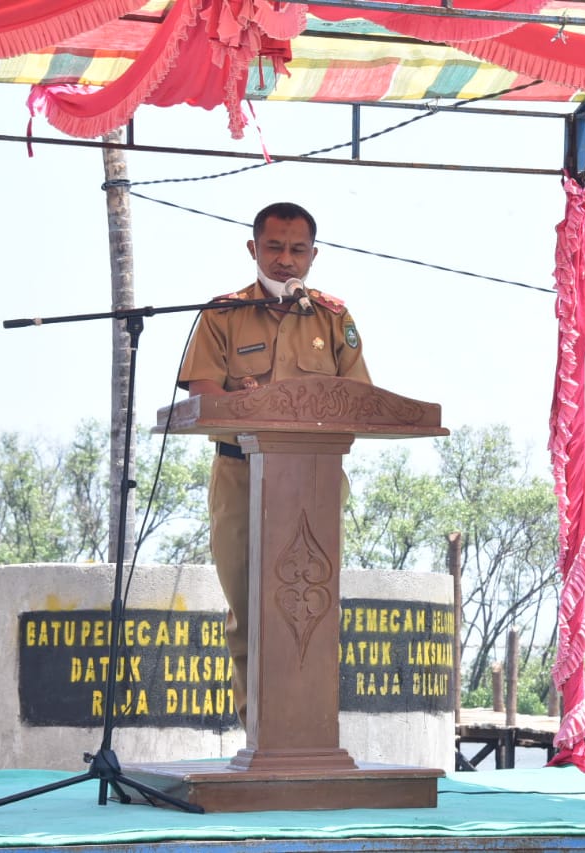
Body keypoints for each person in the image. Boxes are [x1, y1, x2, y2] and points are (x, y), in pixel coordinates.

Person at [177, 202, 371, 725]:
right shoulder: (223, 314)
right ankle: (257, 736)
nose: (286, 260)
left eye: (297, 249)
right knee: (251, 612)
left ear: (313, 253)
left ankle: (309, 736)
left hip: (316, 482)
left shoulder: (333, 318)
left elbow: (361, 399)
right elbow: (202, 393)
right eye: (275, 247)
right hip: (242, 476)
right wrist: (251, 406)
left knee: (310, 612)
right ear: (253, 248)